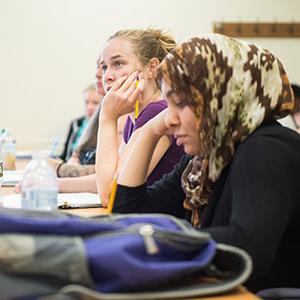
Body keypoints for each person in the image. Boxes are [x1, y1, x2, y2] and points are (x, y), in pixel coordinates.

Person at [113, 33, 300, 291]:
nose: (170, 118)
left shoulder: (266, 148)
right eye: (168, 104)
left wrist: (153, 239)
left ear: (222, 96)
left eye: (180, 103)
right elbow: (127, 215)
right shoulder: (206, 158)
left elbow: (247, 248)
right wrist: (149, 131)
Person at [58, 28, 185, 206]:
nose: (107, 76)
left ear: (152, 68)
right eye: (104, 67)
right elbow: (110, 176)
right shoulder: (134, 116)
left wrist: (107, 117)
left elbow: (109, 195)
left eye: (118, 64)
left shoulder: (156, 112)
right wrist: (55, 184)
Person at [60, 83, 102, 162]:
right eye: (87, 102)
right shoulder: (75, 124)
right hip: (68, 166)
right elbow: (64, 155)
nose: (89, 107)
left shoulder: (104, 126)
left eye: (95, 103)